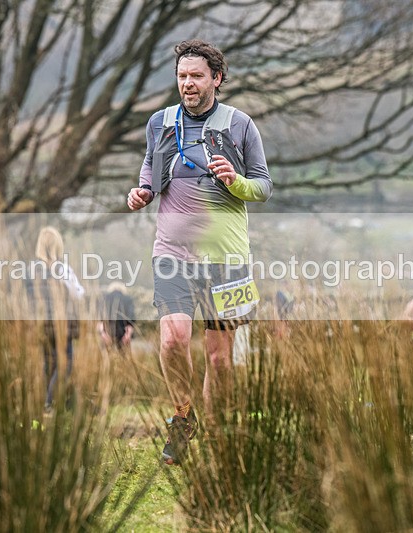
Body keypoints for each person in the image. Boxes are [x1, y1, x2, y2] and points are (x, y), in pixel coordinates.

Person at [126, 39, 272, 465]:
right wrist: (142, 193)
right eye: (182, 76)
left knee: (219, 359)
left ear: (217, 79)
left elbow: (263, 187)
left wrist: (236, 182)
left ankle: (219, 439)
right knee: (172, 340)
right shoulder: (159, 122)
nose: (187, 84)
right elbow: (149, 170)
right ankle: (183, 418)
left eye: (196, 76)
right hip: (171, 252)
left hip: (226, 258)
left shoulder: (240, 124)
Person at [31, 226, 85, 413]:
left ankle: (45, 404)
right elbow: (78, 294)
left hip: (40, 325)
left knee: (48, 363)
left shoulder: (32, 269)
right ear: (57, 245)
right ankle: (49, 404)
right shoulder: (62, 269)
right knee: (64, 364)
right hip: (61, 325)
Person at [97, 281, 136, 356]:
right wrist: (128, 334)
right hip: (123, 330)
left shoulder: (105, 298)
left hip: (108, 329)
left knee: (106, 356)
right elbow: (131, 318)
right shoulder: (127, 299)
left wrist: (103, 333)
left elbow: (100, 318)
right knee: (124, 356)